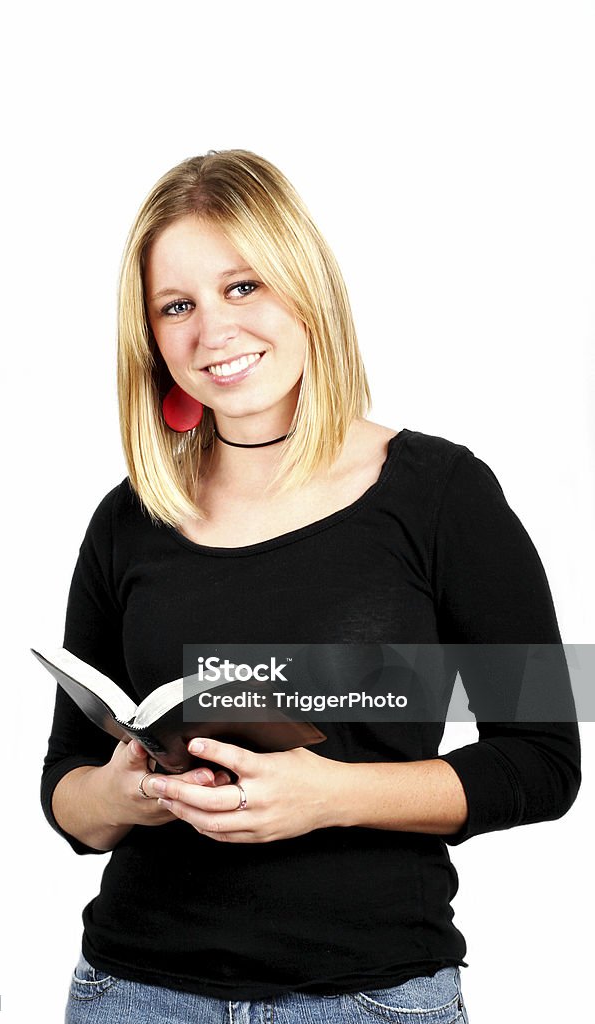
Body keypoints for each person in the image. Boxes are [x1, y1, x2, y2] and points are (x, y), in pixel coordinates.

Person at [41, 149, 581, 1024]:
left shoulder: (443, 493)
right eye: (176, 306)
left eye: (243, 286)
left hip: (368, 998)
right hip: (133, 993)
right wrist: (129, 793)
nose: (212, 331)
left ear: (306, 286)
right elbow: (66, 792)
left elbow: (547, 761)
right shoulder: (129, 517)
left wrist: (329, 795)